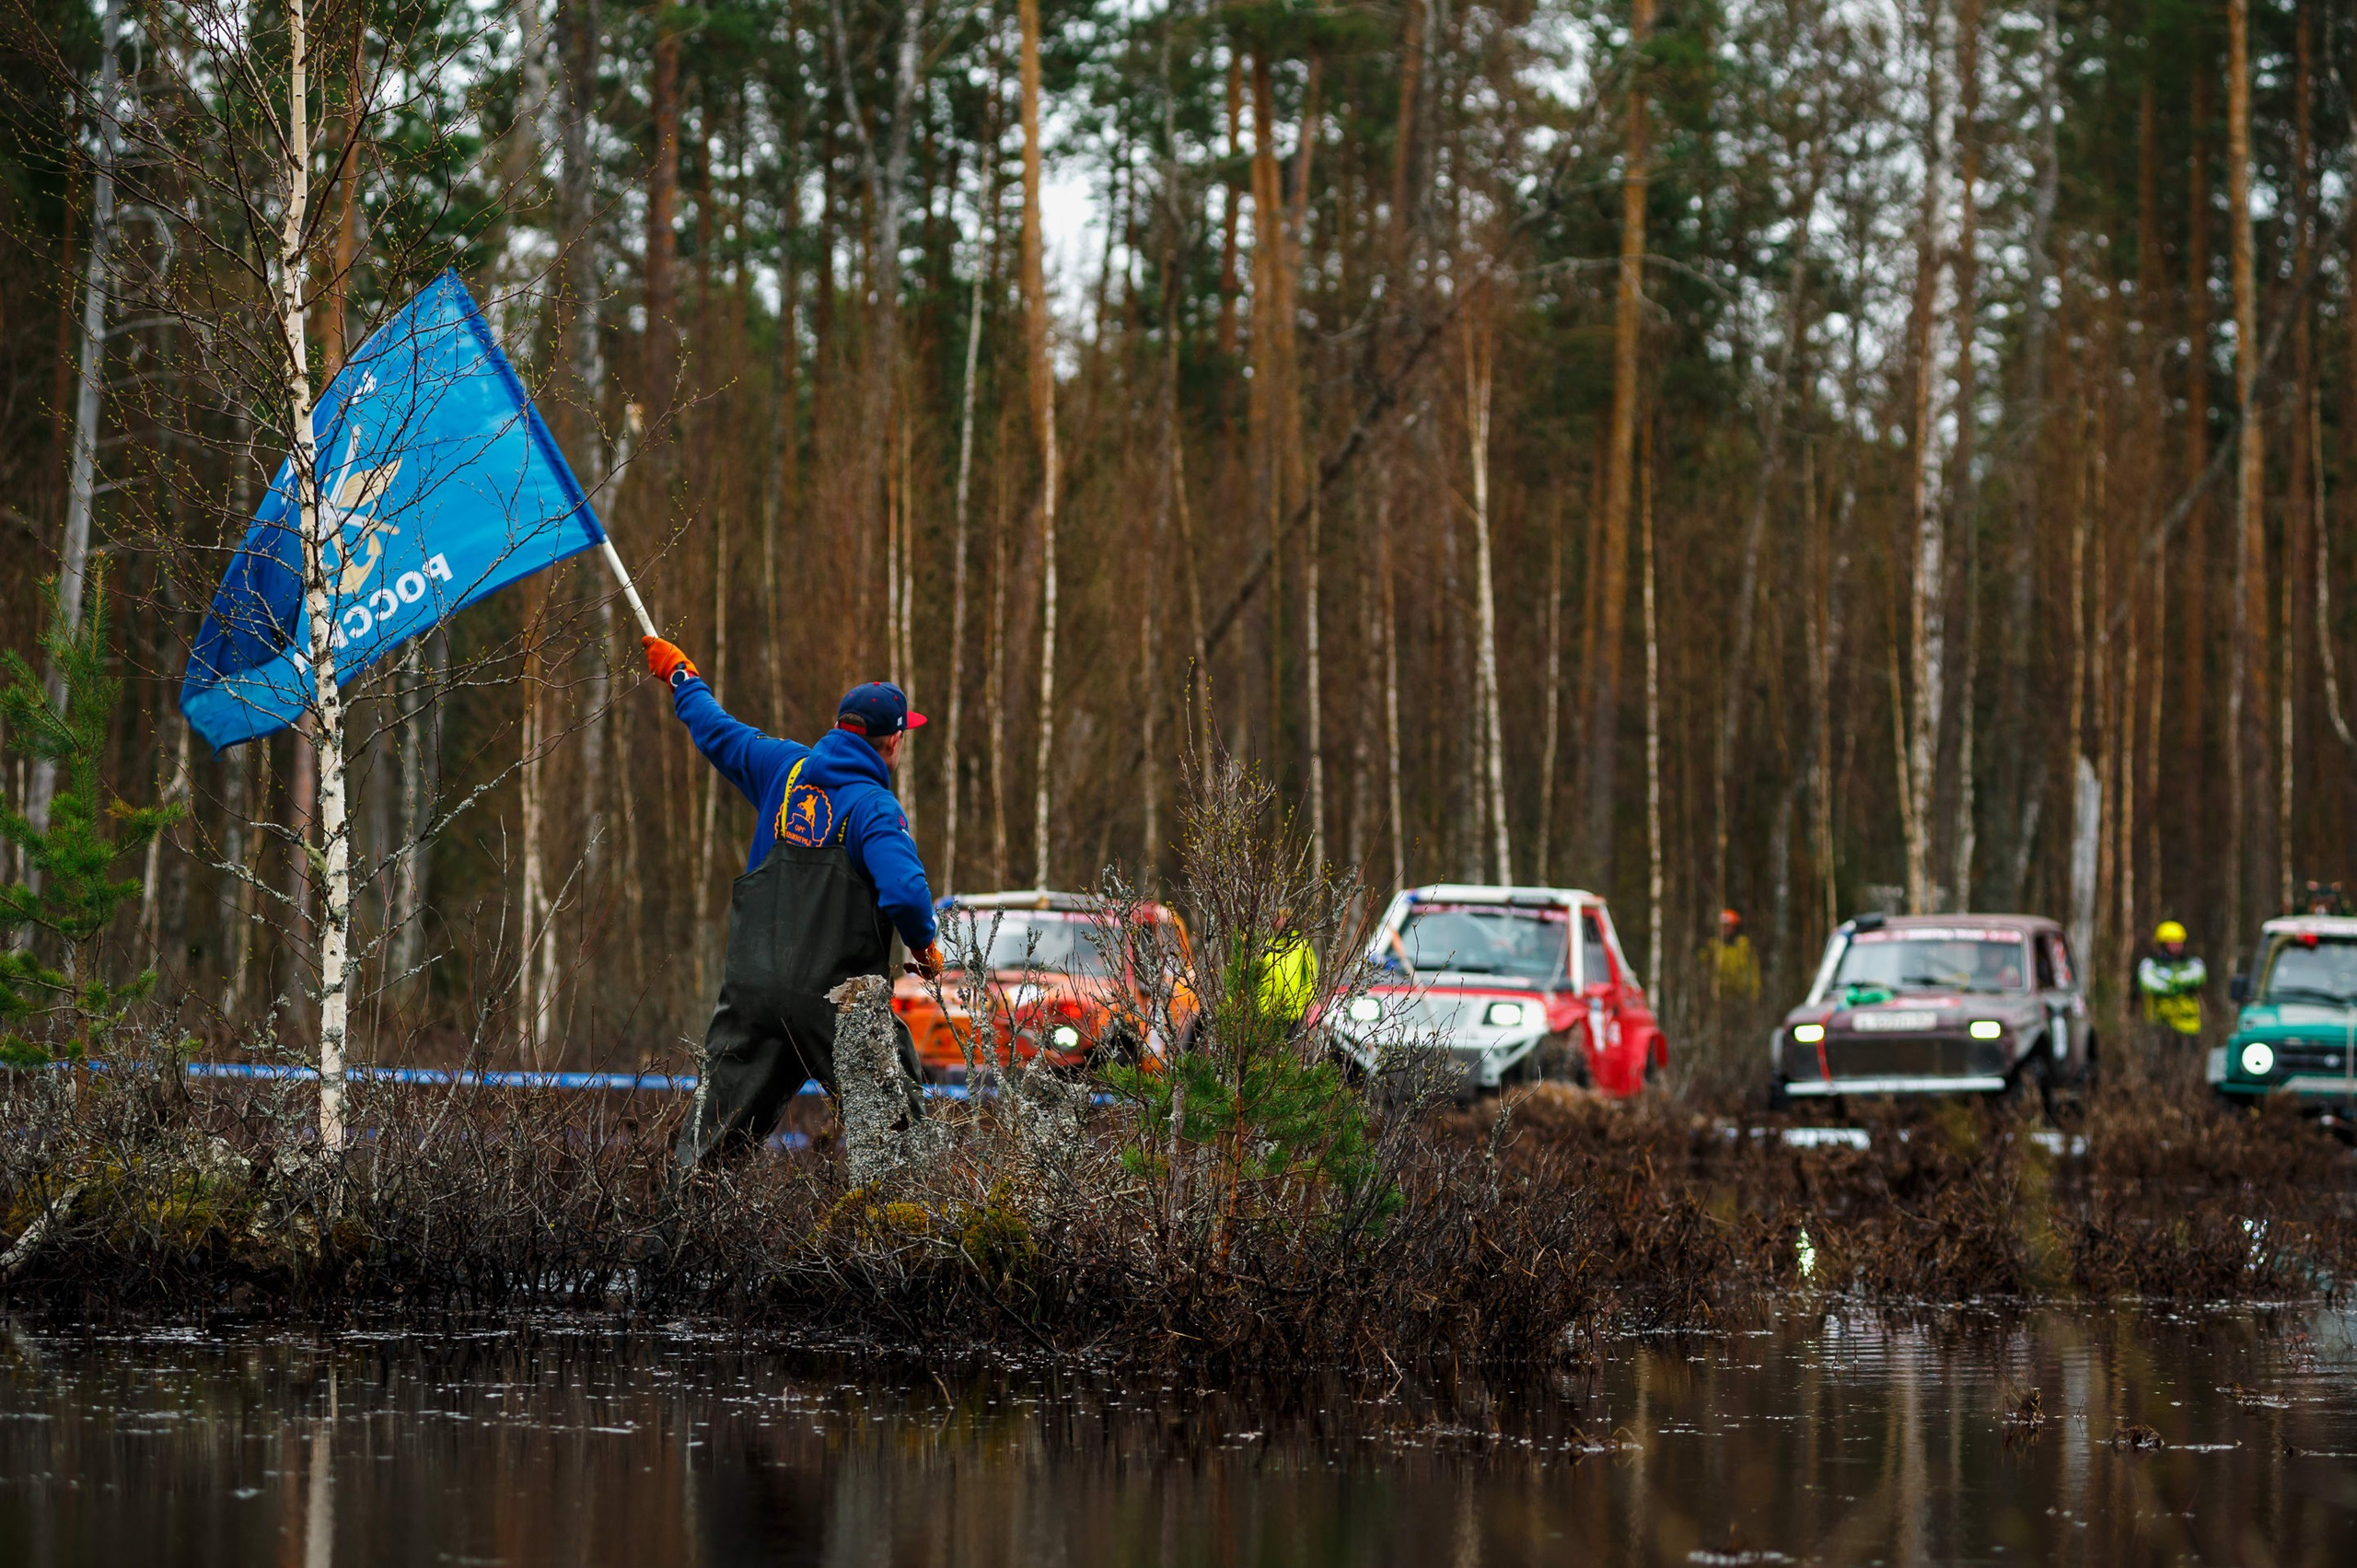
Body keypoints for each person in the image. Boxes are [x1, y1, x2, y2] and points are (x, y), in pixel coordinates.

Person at [643, 635, 943, 1167]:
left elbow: (716, 730)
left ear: (838, 727)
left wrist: (682, 677)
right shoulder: (875, 808)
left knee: (709, 1149)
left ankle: (675, 1220)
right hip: (837, 1006)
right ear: (894, 742)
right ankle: (902, 1221)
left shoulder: (782, 768)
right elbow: (906, 893)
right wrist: (924, 948)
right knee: (900, 1140)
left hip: (752, 995)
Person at [2135, 920, 2206, 1041]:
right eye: (2172, 942)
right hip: (2159, 1025)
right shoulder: (2150, 964)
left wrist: (2169, 981)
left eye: (2179, 942)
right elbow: (2147, 983)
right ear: (2162, 944)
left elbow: (2198, 977)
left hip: (2189, 1026)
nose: (2176, 946)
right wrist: (2178, 985)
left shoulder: (2193, 963)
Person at [1251, 908, 1319, 1030]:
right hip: (1266, 1011)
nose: (1281, 922)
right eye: (1278, 918)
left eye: (1285, 918)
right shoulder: (1265, 945)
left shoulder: (1300, 943)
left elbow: (1311, 975)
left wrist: (1310, 1003)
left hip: (1293, 1011)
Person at [1713, 908, 1761, 1003]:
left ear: (1734, 927)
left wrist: (1754, 992)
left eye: (1727, 926)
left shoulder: (1744, 945)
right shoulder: (1714, 945)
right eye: (1722, 926)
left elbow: (1754, 970)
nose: (1724, 929)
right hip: (1720, 996)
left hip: (1741, 996)